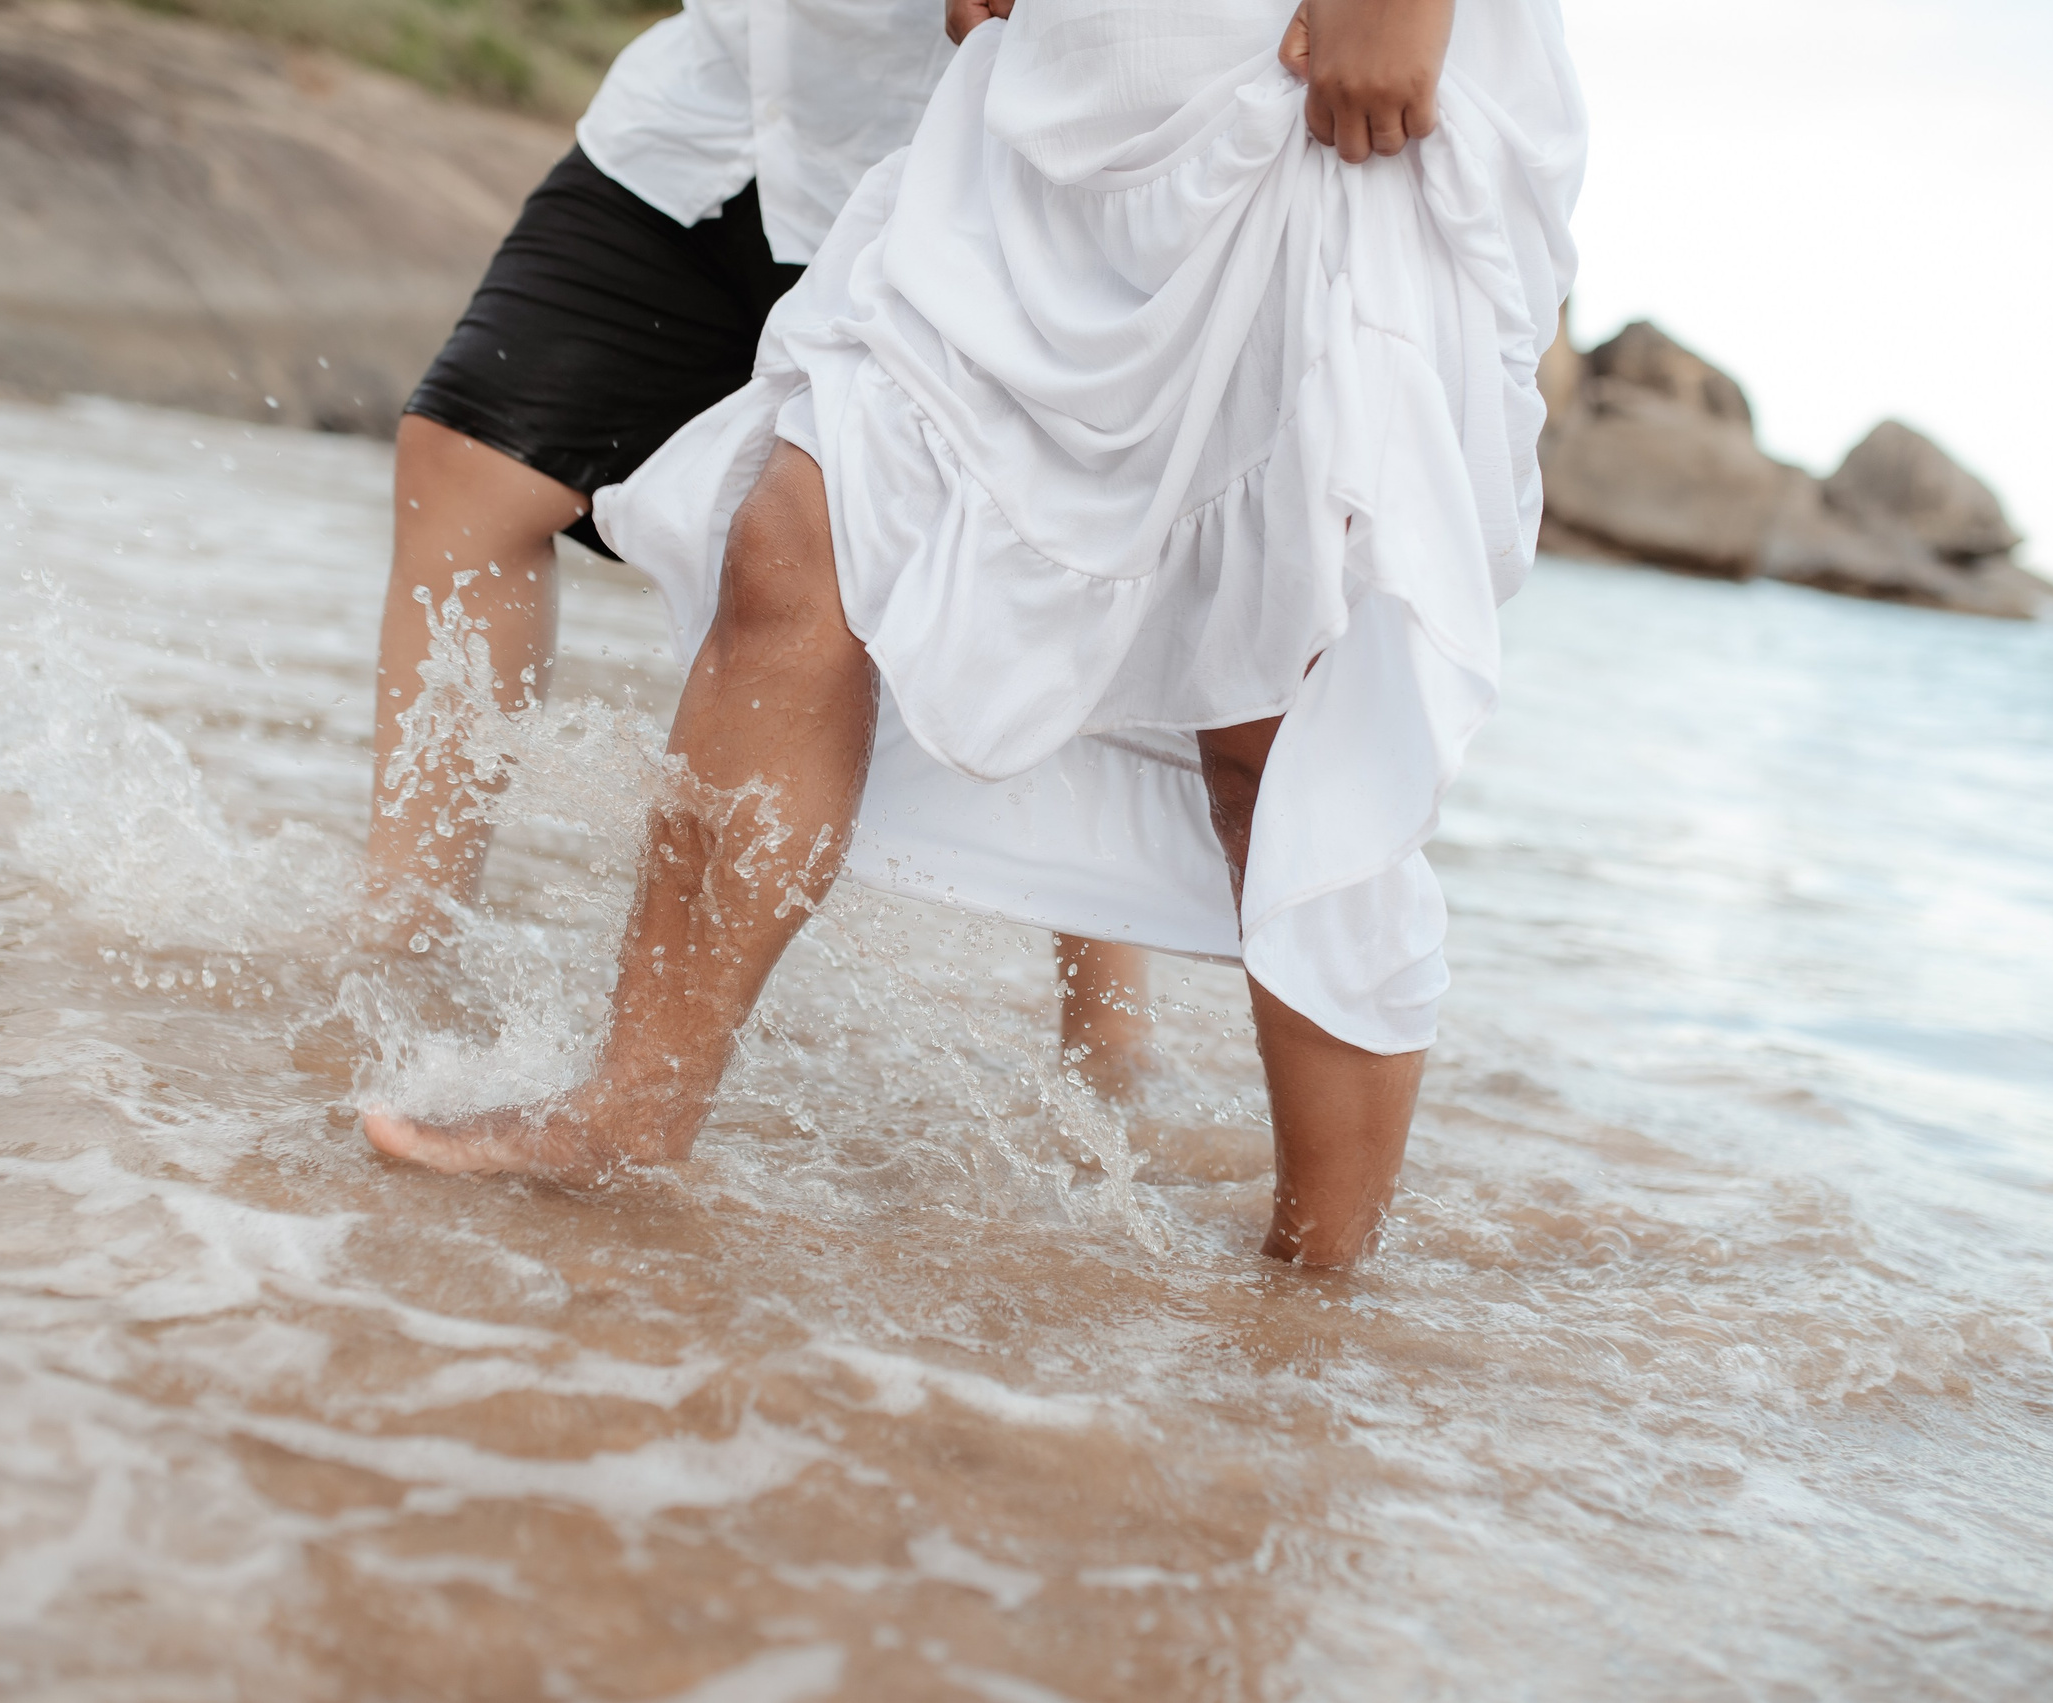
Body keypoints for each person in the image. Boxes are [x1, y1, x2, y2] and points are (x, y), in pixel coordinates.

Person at [365, 0, 1586, 1268]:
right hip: (1062, 91)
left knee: (1271, 718)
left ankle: (1316, 1280)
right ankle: (628, 1112)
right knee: (796, 543)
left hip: (1299, 98)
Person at [364, 0, 1158, 1092]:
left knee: (1035, 560)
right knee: (471, 462)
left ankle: (1107, 1043)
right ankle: (401, 942)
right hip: (709, 111)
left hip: (965, 156)